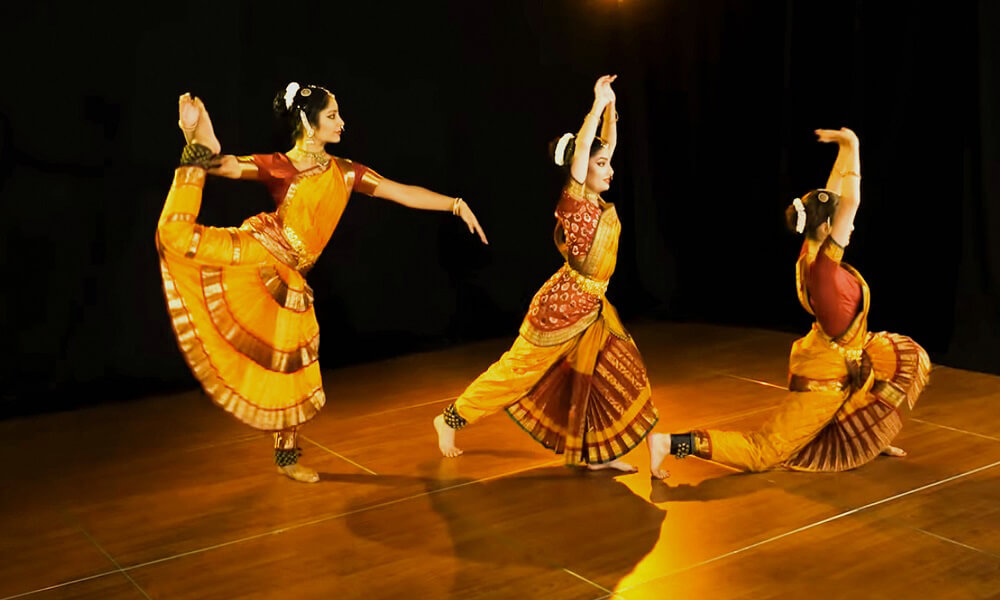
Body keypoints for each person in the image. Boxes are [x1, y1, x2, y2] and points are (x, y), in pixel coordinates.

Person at [157, 83, 488, 482]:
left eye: (338, 114)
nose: (341, 122)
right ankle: (197, 146)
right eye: (332, 115)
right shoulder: (280, 165)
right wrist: (194, 136)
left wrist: (454, 204)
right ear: (307, 122)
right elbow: (222, 166)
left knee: (290, 368)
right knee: (174, 237)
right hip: (259, 249)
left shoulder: (346, 172)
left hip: (289, 276)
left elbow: (401, 193)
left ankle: (287, 458)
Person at [433, 75, 672, 478]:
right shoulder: (574, 200)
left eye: (608, 163)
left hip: (594, 306)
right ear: (579, 169)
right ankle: (450, 419)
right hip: (562, 309)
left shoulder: (595, 199)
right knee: (516, 372)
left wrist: (612, 107)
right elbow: (586, 149)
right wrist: (596, 106)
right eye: (600, 165)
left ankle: (597, 452)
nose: (608, 169)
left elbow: (605, 144)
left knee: (612, 374)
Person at [663, 127, 930, 472]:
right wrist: (855, 146)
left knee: (879, 379)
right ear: (828, 227)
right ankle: (672, 443)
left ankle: (867, 441)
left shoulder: (811, 248)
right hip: (825, 376)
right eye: (843, 224)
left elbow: (831, 196)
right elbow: (850, 202)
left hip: (841, 359)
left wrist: (842, 155)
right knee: (765, 453)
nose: (850, 228)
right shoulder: (823, 268)